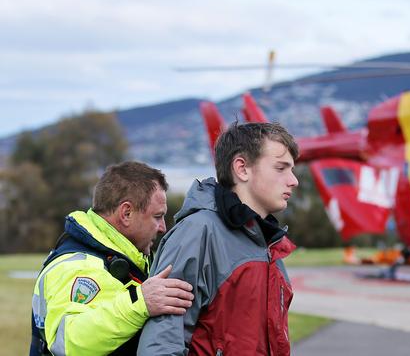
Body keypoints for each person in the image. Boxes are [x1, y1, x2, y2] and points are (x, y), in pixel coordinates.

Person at [138, 122, 299, 355]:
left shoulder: (270, 246)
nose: (293, 180)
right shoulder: (197, 233)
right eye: (281, 168)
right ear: (242, 169)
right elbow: (161, 343)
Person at [31, 161, 194, 355]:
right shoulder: (77, 267)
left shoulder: (129, 256)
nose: (162, 228)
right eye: (157, 216)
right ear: (126, 213)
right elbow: (68, 343)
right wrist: (140, 303)